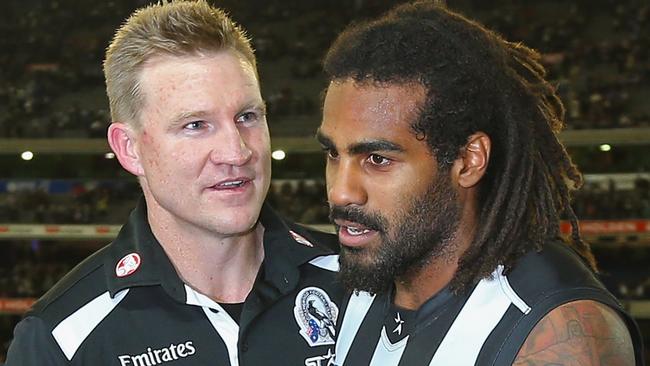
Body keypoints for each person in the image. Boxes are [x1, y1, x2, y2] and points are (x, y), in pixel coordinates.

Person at [5, 1, 342, 365]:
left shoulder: (360, 284)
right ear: (129, 149)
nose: (237, 151)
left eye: (247, 116)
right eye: (195, 125)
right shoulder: (62, 338)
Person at [316, 2, 645, 365]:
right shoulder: (348, 287)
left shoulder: (555, 336)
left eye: (378, 159)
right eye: (333, 154)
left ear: (469, 160)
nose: (341, 191)